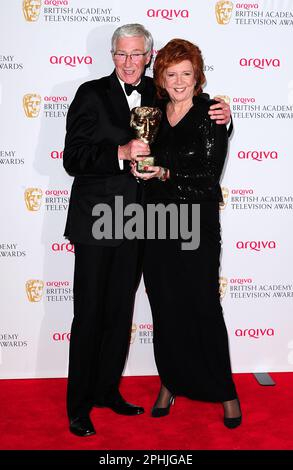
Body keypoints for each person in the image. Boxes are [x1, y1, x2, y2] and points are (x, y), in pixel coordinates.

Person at [63, 24, 232, 437]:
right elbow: (73, 157)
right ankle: (79, 405)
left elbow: (192, 106)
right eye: (122, 54)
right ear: (112, 54)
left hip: (144, 224)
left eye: (137, 54)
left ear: (149, 56)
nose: (129, 62)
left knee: (120, 315)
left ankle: (107, 391)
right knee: (90, 316)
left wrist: (223, 117)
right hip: (98, 220)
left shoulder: (159, 91)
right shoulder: (91, 93)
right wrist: (119, 153)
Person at [131, 38, 241, 428]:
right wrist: (140, 169)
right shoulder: (154, 114)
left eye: (186, 74)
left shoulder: (210, 113)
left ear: (198, 77)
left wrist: (164, 173)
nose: (179, 81)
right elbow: (141, 158)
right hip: (156, 225)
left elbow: (208, 178)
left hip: (196, 227)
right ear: (160, 76)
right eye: (171, 73)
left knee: (203, 308)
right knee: (165, 307)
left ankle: (225, 391)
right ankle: (170, 382)